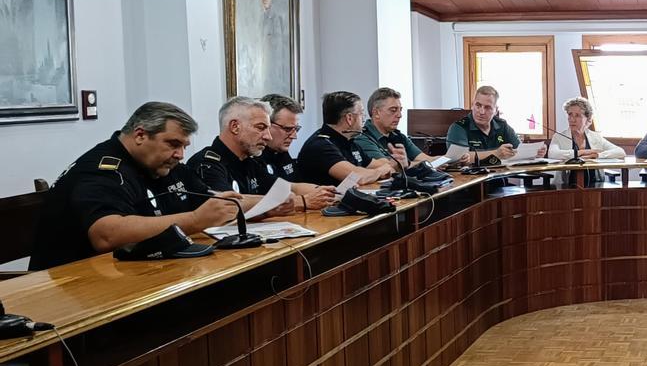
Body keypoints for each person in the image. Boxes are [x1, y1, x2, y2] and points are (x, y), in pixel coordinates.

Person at [28, 102, 242, 269]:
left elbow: (216, 202)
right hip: (72, 283)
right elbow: (106, 235)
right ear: (140, 135)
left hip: (132, 267)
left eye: (184, 146)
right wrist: (194, 220)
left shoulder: (162, 163)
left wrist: (269, 203)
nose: (180, 154)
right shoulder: (101, 170)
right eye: (173, 144)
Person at [188, 96, 335, 212]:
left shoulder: (249, 161)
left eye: (268, 129)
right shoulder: (207, 163)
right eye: (261, 128)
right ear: (235, 127)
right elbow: (229, 205)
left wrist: (327, 194)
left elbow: (289, 188)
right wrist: (301, 201)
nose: (268, 137)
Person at [297, 91, 394, 186]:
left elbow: (375, 164)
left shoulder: (349, 141)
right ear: (349, 118)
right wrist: (380, 171)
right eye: (362, 114)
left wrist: (393, 164)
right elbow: (356, 177)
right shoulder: (320, 145)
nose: (364, 119)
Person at [355, 87, 438, 170]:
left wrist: (447, 159)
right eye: (393, 110)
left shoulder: (398, 136)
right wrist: (413, 164)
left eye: (400, 110)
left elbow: (426, 159)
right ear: (376, 113)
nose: (399, 115)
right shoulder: (362, 137)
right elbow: (389, 167)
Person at [446, 85, 521, 166]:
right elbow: (458, 158)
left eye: (488, 107)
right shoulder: (459, 127)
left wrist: (534, 152)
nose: (481, 112)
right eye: (478, 105)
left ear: (496, 110)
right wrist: (496, 153)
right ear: (472, 105)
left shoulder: (502, 125)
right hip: (470, 177)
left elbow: (519, 149)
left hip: (498, 175)